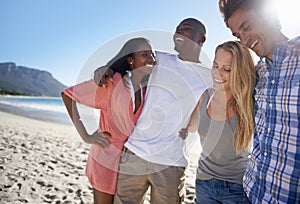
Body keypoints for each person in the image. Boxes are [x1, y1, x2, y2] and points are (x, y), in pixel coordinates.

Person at [95, 18, 212, 204]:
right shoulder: (159, 59)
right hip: (134, 153)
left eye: (186, 29)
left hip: (170, 162)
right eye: (177, 29)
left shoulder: (210, 76)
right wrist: (107, 68)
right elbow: (128, 58)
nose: (178, 33)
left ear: (202, 39)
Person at [218, 0, 300, 203]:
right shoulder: (257, 74)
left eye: (247, 27)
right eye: (237, 35)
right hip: (251, 192)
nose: (244, 41)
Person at [61, 37, 156, 204]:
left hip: (130, 161)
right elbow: (69, 95)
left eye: (153, 54)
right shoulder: (112, 82)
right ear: (130, 60)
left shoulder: (146, 88)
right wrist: (85, 136)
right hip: (105, 158)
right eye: (145, 54)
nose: (151, 59)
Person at [179, 41, 255, 203]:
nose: (217, 73)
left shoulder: (251, 103)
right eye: (215, 66)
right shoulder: (205, 97)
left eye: (226, 69)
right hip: (203, 183)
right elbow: (189, 128)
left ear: (240, 72)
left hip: (237, 187)